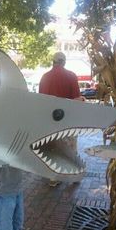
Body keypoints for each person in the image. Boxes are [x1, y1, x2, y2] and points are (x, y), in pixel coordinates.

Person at [39, 52, 85, 187]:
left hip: (50, 120)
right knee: (71, 148)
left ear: (53, 61)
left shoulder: (45, 77)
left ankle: (54, 178)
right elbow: (76, 100)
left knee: (53, 149)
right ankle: (74, 175)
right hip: (68, 119)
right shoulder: (71, 76)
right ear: (64, 62)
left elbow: (41, 101)